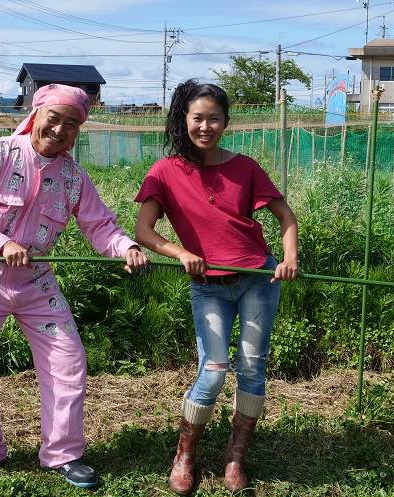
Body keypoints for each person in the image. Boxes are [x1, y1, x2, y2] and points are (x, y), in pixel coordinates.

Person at [0, 83, 149, 489]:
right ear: (35, 115)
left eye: (72, 124)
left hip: (35, 284)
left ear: (79, 130)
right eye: (54, 119)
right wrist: (2, 243)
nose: (60, 130)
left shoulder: (74, 178)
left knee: (68, 361)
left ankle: (63, 453)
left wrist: (126, 247)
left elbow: (100, 226)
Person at [134, 80, 299, 494]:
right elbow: (143, 230)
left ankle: (234, 458)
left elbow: (286, 216)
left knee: (253, 366)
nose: (205, 126)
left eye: (214, 118)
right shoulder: (165, 172)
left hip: (258, 280)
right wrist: (179, 253)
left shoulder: (244, 167)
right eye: (197, 118)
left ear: (225, 122)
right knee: (212, 370)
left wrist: (289, 258)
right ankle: (185, 455)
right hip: (207, 286)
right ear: (182, 120)